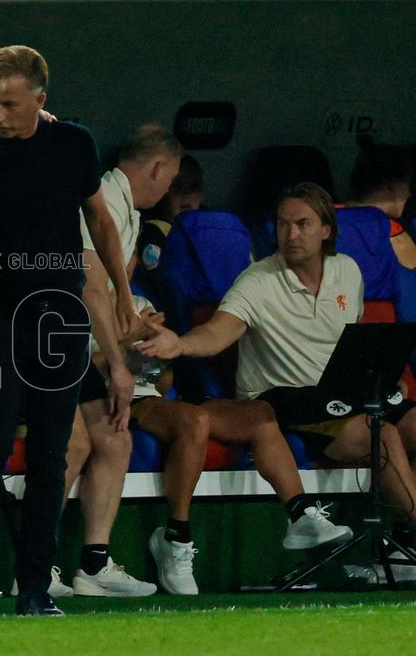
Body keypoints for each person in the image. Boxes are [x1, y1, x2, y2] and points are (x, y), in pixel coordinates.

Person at [0, 45, 136, 618]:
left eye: (10, 103)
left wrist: (122, 292)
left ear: (40, 100)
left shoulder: (75, 144)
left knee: (50, 456)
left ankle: (34, 587)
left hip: (60, 319)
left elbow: (100, 221)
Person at [139, 182, 416, 575]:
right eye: (283, 225)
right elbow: (218, 333)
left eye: (302, 224)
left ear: (326, 230)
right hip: (281, 399)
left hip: (340, 395)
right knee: (383, 435)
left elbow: (352, 345)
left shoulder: (348, 272)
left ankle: (402, 543)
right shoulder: (257, 281)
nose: (291, 235)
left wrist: (383, 381)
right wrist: (180, 344)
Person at [85, 258, 351, 596]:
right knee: (193, 421)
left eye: (129, 254)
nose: (124, 263)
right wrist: (125, 344)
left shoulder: (140, 305)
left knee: (259, 414)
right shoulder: (82, 304)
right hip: (109, 401)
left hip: (154, 396)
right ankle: (176, 537)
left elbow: (163, 382)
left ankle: (299, 514)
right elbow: (76, 374)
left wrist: (159, 354)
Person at [64, 123, 181, 599]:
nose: (169, 188)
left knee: (114, 439)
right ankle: (30, 568)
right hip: (50, 342)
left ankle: (93, 565)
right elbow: (91, 287)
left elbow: (110, 301)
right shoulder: (102, 201)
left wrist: (133, 321)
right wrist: (117, 361)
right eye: (169, 179)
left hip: (83, 346)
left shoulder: (127, 211)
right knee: (70, 446)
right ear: (157, 167)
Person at [134, 154, 204, 307]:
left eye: (192, 188)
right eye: (177, 187)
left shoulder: (216, 228)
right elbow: (163, 285)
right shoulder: (154, 231)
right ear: (164, 192)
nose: (186, 195)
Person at [345, 136, 416, 268]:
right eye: (407, 185)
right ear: (389, 186)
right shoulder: (394, 237)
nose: (409, 193)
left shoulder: (321, 220)